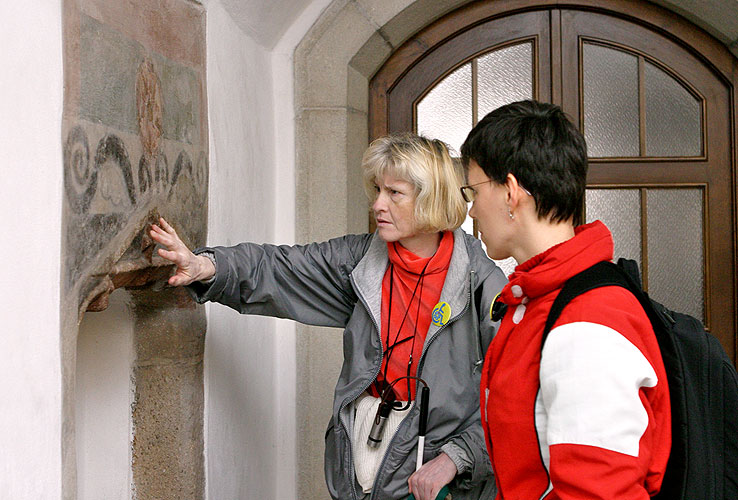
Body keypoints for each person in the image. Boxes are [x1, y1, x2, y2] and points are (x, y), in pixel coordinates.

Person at [150, 134, 507, 500]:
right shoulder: (360, 262)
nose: (377, 205)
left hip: (440, 483)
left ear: (431, 198)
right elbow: (280, 268)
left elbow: (515, 403)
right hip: (360, 464)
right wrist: (206, 265)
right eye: (377, 190)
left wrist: (456, 457)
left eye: (394, 193)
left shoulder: (483, 286)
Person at [460, 100, 671, 499]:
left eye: (474, 191)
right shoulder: (538, 299)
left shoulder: (587, 322)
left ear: (510, 192)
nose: (471, 210)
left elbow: (600, 492)